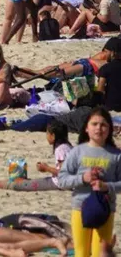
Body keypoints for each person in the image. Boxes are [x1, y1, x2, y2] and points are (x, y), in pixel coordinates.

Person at [57, 107, 121, 257]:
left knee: (100, 253)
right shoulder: (77, 152)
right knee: (81, 253)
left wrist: (106, 186)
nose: (99, 128)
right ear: (86, 128)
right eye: (94, 124)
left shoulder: (116, 155)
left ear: (110, 129)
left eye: (103, 124)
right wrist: (82, 178)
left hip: (105, 209)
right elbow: (62, 180)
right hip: (80, 208)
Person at [0, 120, 72, 192]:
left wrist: (46, 168)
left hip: (61, 184)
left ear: (53, 136)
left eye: (47, 133)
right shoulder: (67, 146)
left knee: (23, 184)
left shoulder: (61, 150)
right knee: (23, 181)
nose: (46, 136)